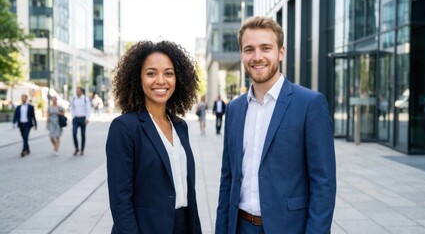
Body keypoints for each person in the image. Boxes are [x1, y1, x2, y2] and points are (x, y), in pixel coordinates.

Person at [215, 16, 336, 234]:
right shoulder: (233, 109)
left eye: (266, 48)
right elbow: (228, 178)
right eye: (249, 49)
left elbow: (323, 184)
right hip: (239, 227)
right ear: (242, 54)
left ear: (281, 52)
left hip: (289, 228)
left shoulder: (310, 104)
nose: (257, 57)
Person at [106, 40, 202, 234]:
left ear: (178, 78)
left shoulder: (180, 126)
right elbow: (120, 200)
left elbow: (187, 190)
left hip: (183, 225)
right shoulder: (124, 128)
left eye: (168, 73)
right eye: (151, 73)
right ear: (138, 78)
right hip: (145, 228)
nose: (161, 80)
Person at [70, 86, 91, 156]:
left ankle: (82, 149)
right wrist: (73, 116)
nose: (77, 92)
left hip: (83, 118)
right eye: (76, 91)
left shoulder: (85, 99)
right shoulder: (73, 99)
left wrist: (87, 118)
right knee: (74, 132)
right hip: (75, 119)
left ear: (81, 92)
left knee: (83, 135)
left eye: (78, 91)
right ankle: (76, 148)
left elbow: (88, 109)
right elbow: (71, 108)